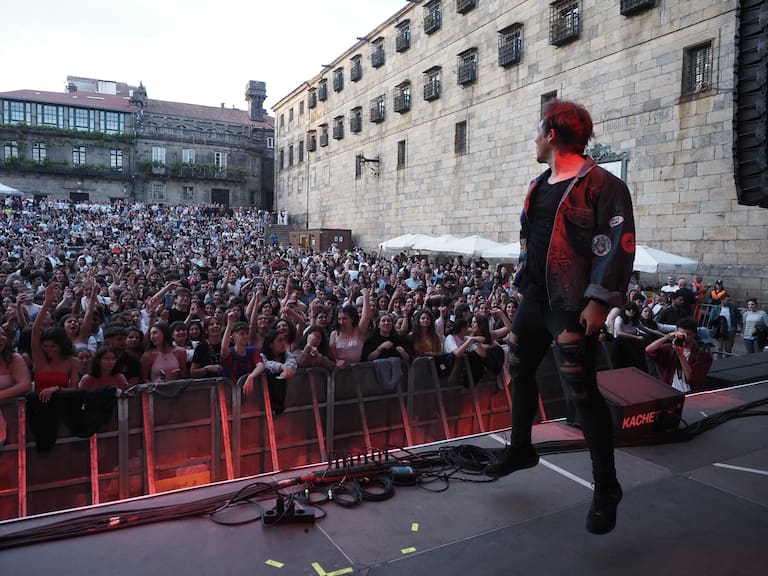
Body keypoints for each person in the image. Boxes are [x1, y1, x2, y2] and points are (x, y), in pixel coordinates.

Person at [484, 100, 635, 536]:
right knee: (518, 368)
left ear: (551, 134)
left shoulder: (602, 185)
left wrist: (600, 300)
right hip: (533, 299)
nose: (533, 139)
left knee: (581, 392)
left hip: (571, 304)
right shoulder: (538, 184)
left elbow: (618, 241)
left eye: (537, 131)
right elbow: (530, 239)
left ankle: (606, 487)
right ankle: (520, 449)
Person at [645, 318, 713, 393]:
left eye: (688, 334)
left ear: (695, 334)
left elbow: (692, 378)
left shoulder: (703, 356)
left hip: (688, 393)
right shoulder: (670, 348)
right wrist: (667, 336)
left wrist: (680, 354)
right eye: (681, 334)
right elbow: (648, 350)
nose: (685, 337)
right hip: (669, 390)